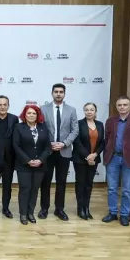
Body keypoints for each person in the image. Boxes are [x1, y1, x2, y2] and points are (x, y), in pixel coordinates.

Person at [102, 96, 130, 226]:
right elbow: (107, 139)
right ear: (117, 107)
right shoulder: (110, 121)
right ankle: (112, 212)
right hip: (113, 158)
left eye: (125, 105)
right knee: (112, 188)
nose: (122, 107)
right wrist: (106, 156)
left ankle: (124, 215)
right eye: (119, 105)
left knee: (127, 189)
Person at [39, 83, 78, 221]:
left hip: (64, 151)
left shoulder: (71, 110)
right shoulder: (43, 109)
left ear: (64, 94)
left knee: (61, 182)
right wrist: (48, 144)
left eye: (61, 92)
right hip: (47, 151)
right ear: (52, 93)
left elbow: (75, 130)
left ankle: (59, 209)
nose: (58, 94)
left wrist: (64, 143)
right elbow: (40, 128)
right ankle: (44, 208)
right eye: (56, 91)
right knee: (45, 181)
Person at [12, 104, 51, 225]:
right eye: (29, 113)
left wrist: (40, 160)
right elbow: (16, 146)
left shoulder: (43, 127)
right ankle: (23, 214)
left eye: (34, 113)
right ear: (25, 115)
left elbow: (47, 147)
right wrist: (28, 160)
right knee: (25, 189)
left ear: (38, 115)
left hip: (40, 165)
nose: (31, 115)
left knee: (34, 189)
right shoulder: (19, 127)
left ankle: (30, 213)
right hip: (24, 165)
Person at [72, 102, 106, 220]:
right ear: (84, 111)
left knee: (89, 184)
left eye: (91, 110)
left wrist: (95, 155)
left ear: (95, 111)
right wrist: (88, 156)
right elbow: (77, 142)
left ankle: (86, 208)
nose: (89, 112)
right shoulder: (78, 124)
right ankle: (80, 208)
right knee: (80, 184)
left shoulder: (100, 124)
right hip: (80, 159)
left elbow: (102, 142)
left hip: (94, 159)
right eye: (86, 110)